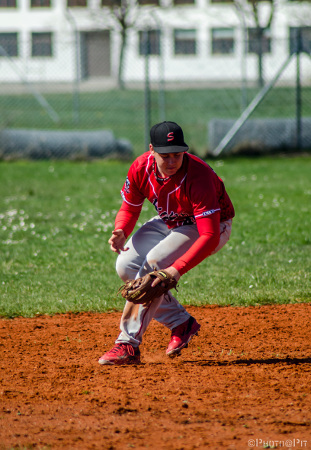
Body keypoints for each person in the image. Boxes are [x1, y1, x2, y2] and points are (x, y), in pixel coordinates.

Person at [98, 121, 235, 365]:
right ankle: (181, 323)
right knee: (126, 266)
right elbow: (130, 207)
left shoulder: (198, 175)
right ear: (151, 150)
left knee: (155, 263)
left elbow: (209, 235)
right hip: (171, 220)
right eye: (165, 155)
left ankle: (127, 344)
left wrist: (176, 270)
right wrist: (121, 229)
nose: (172, 161)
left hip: (212, 226)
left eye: (177, 155)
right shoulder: (141, 168)